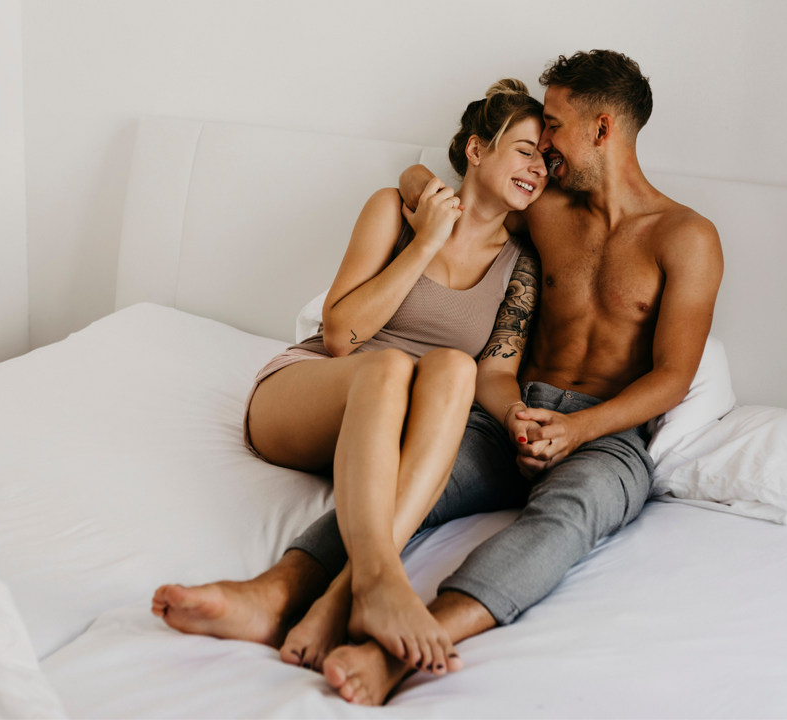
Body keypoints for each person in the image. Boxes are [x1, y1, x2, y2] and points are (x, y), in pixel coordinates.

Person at [313, 49, 724, 705]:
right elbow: (421, 173)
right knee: (409, 475)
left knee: (568, 517)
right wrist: (516, 416)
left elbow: (674, 377)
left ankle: (404, 649)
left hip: (606, 433)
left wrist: (579, 427)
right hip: (513, 411)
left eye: (554, 125)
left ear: (602, 128)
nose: (544, 147)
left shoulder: (685, 236)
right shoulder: (545, 209)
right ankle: (288, 587)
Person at [150, 79, 549, 678]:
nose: (537, 167)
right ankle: (381, 579)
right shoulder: (394, 208)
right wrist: (427, 242)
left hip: (384, 429)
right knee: (390, 364)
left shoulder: (521, 263)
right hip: (309, 393)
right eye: (525, 149)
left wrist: (515, 414)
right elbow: (341, 335)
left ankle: (340, 597)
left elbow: (494, 373)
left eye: (546, 158)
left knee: (453, 367)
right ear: (475, 150)